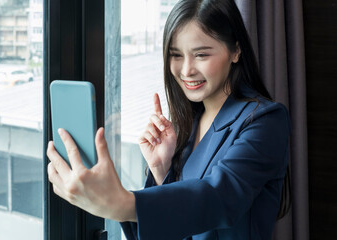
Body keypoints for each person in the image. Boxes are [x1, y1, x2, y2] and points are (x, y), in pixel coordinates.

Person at [47, 0, 291, 239]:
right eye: (176, 55)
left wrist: (122, 203)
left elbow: (219, 197)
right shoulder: (188, 123)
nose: (186, 70)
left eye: (201, 55)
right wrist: (162, 170)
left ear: (236, 51)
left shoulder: (266, 120)